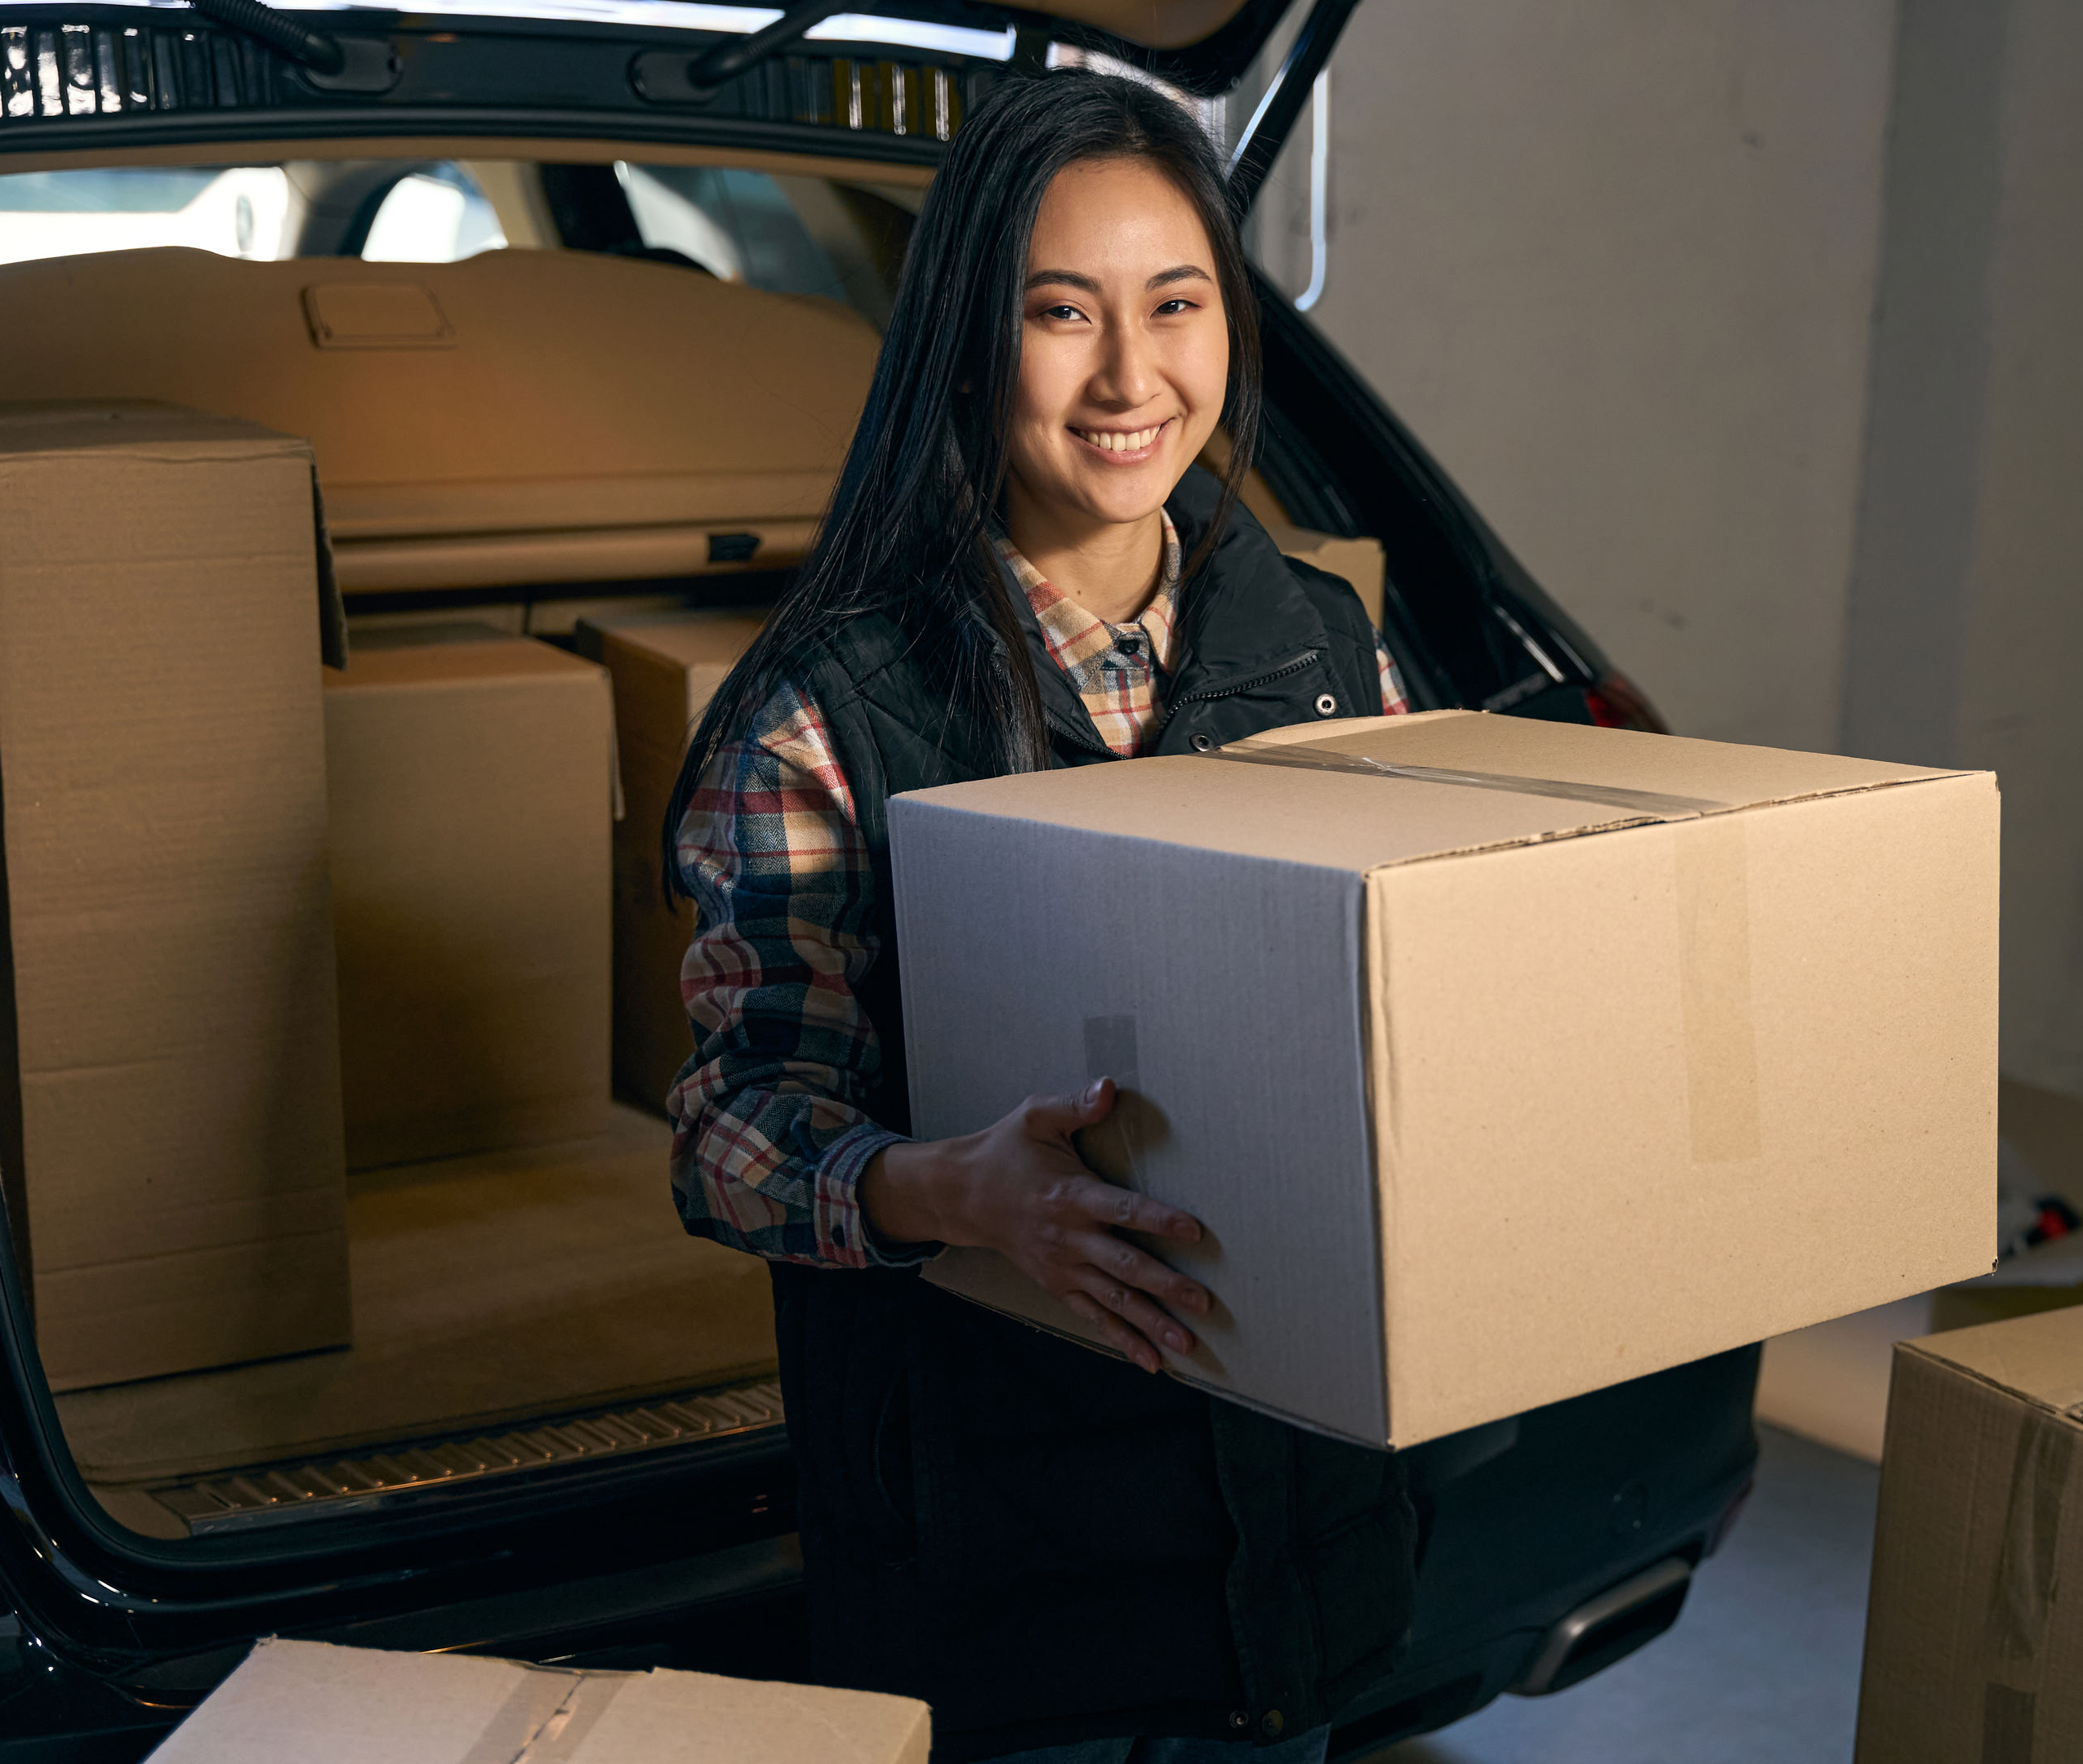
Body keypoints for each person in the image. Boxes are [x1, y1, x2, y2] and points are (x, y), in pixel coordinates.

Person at [659, 70, 1416, 1764]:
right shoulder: (830, 711)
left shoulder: (1317, 644)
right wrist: (956, 1193)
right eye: (1063, 315)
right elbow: (730, 1137)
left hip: (1300, 1558)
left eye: (1177, 305)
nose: (1133, 379)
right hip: (1003, 1590)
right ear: (966, 337)